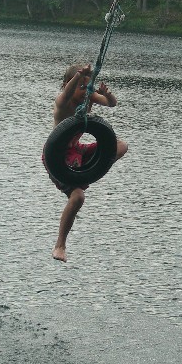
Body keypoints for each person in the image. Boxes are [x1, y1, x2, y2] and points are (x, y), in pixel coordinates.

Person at [43, 63, 128, 262]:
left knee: (121, 146)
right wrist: (79, 76)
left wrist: (107, 94)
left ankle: (88, 173)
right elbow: (67, 93)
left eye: (88, 87)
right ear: (68, 85)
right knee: (78, 197)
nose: (85, 92)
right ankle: (60, 245)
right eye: (81, 87)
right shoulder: (63, 103)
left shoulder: (87, 97)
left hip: (77, 151)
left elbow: (111, 104)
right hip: (57, 156)